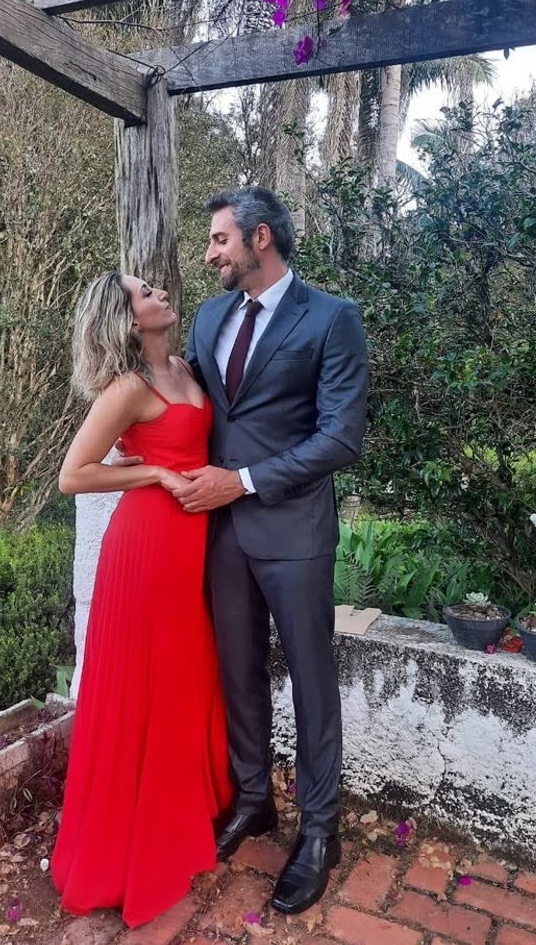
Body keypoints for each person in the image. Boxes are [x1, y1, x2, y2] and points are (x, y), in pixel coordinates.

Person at [172, 186, 368, 915]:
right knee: (238, 671)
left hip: (295, 535)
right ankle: (254, 799)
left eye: (219, 239)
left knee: (312, 681)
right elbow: (187, 404)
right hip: (221, 535)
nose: (209, 254)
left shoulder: (332, 318)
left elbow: (339, 437)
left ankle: (319, 832)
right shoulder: (208, 317)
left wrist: (244, 480)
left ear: (260, 238)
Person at [50, 272, 233, 929]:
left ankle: (186, 815)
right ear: (129, 320)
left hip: (194, 545)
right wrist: (152, 470)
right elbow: (73, 474)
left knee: (186, 680)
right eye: (144, 292)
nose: (158, 293)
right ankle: (138, 846)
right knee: (150, 688)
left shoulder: (184, 367)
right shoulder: (128, 388)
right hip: (148, 548)